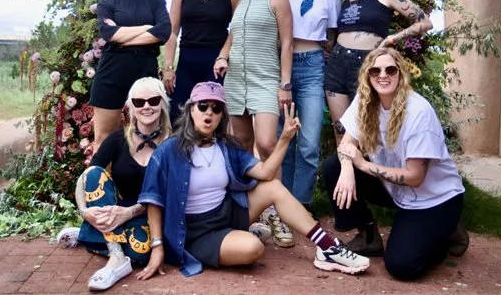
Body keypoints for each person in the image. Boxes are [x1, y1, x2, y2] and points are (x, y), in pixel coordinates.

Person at [135, 82, 371, 280]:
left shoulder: (226, 147)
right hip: (196, 232)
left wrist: (286, 137)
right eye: (203, 106)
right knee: (253, 250)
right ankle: (245, 238)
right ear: (190, 111)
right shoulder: (168, 150)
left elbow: (267, 173)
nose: (209, 112)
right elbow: (153, 201)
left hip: (227, 213)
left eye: (216, 108)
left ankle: (328, 247)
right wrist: (157, 247)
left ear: (221, 116)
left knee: (273, 187)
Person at [321, 47, 469, 281]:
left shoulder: (418, 112)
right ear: (367, 76)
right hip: (398, 191)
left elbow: (414, 177)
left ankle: (446, 232)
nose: (383, 75)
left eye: (390, 69)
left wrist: (362, 165)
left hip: (435, 199)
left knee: (402, 266)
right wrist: (349, 168)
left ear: (400, 73)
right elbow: (347, 143)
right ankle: (368, 237)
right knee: (334, 168)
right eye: (375, 70)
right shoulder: (366, 100)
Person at [213, 0, 295, 247]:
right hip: (236, 81)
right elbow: (232, 38)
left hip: (265, 80)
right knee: (242, 147)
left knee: (266, 143)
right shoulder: (242, 0)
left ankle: (280, 214)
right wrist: (222, 57)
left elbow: (287, 43)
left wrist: (284, 84)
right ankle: (253, 210)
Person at [56, 77, 173, 291]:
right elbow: (86, 178)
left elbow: (171, 195)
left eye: (153, 100)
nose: (146, 106)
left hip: (151, 216)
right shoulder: (119, 138)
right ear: (130, 107)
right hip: (114, 210)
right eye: (139, 102)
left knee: (142, 251)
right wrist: (83, 211)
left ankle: (89, 235)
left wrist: (128, 213)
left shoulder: (173, 143)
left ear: (163, 103)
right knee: (94, 174)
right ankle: (116, 255)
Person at [325, 0, 432, 142]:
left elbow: (425, 22)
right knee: (341, 131)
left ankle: (372, 172)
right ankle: (346, 172)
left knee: (368, 129)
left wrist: (392, 38)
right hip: (337, 64)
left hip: (367, 64)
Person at [280, 0, 342, 212]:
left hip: (314, 65)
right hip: (285, 65)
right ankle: (283, 202)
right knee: (286, 138)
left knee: (308, 141)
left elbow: (331, 36)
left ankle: (301, 203)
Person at [90, 0, 172, 149]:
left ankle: (147, 182)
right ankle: (102, 182)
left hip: (145, 69)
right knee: (103, 138)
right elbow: (109, 34)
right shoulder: (108, 2)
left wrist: (122, 35)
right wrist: (147, 27)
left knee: (152, 137)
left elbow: (163, 31)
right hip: (112, 72)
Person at [162, 0, 243, 125]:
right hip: (186, 61)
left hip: (215, 65)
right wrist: (168, 67)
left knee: (211, 119)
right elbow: (172, 31)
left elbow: (237, 30)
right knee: (179, 118)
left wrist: (223, 56)